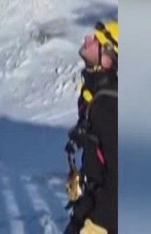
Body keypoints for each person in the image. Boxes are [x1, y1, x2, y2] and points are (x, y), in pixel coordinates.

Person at [65, 20, 118, 234]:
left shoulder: (109, 105)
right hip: (94, 203)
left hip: (105, 216)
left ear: (107, 59)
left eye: (97, 40)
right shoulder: (97, 95)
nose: (88, 38)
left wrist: (97, 222)